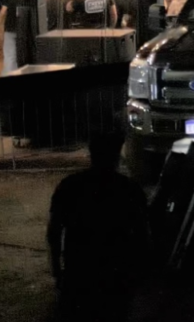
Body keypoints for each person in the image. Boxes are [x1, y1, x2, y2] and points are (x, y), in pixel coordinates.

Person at [47, 132, 150, 322]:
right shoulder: (129, 189)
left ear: (91, 154)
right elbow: (142, 233)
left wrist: (56, 268)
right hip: (116, 272)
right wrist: (139, 271)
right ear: (117, 156)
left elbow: (54, 230)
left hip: (79, 270)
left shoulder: (70, 186)